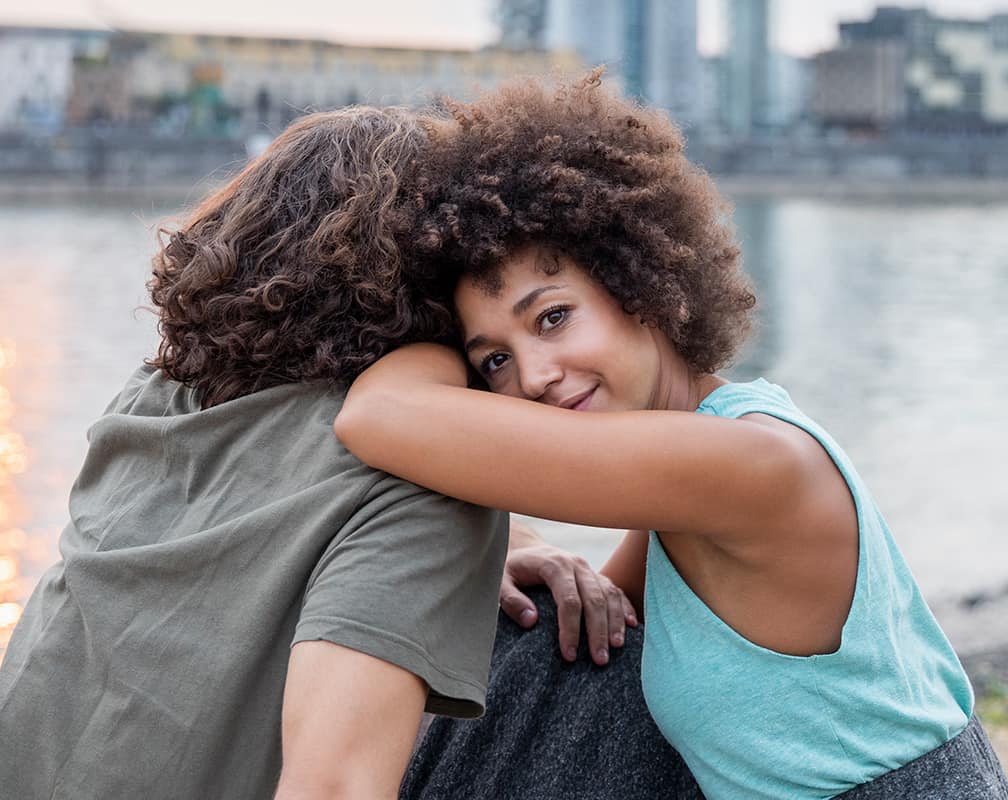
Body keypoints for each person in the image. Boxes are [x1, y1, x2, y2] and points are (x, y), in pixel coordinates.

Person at [336, 72, 1008, 799]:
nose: (532, 375)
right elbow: (597, 608)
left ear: (641, 286)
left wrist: (438, 349)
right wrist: (514, 550)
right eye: (493, 359)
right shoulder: (691, 477)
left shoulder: (746, 464)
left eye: (553, 317)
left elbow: (376, 416)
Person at [0, 105, 509, 800]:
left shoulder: (158, 395)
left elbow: (246, 530)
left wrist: (497, 551)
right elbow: (335, 787)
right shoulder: (412, 485)